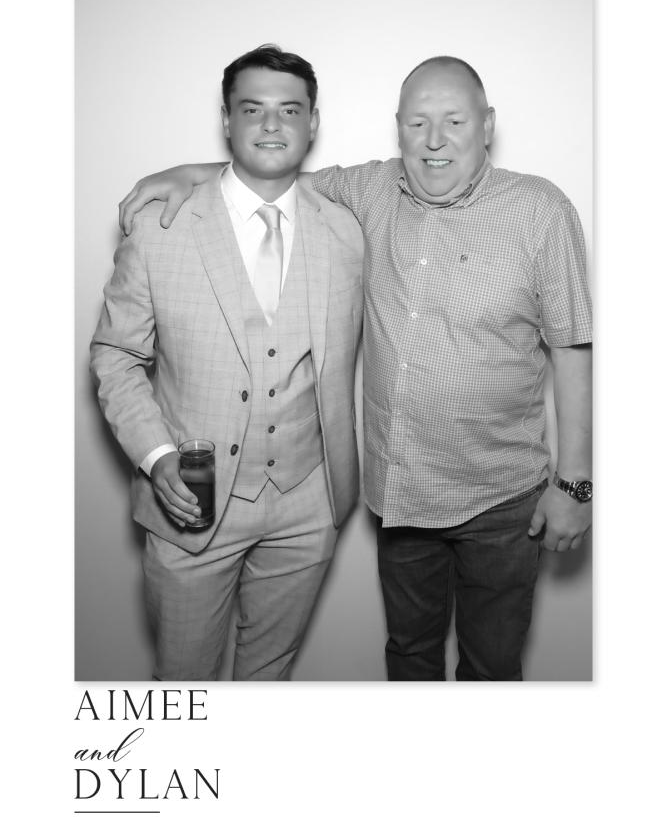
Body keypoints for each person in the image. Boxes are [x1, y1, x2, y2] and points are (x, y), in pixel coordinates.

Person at [118, 56, 592, 681]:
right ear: (398, 128)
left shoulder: (541, 210)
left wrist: (575, 485)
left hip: (504, 500)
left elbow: (572, 347)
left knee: (493, 669)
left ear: (488, 125)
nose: (435, 139)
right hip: (402, 495)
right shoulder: (371, 191)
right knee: (409, 657)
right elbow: (273, 170)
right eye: (418, 123)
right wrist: (190, 173)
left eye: (454, 121)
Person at [91, 45, 364, 681]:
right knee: (183, 683)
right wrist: (157, 458)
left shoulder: (348, 228)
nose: (271, 125)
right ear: (226, 120)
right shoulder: (161, 226)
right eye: (252, 109)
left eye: (289, 110)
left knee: (269, 676)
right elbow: (116, 354)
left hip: (308, 502)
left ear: (312, 123)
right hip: (191, 502)